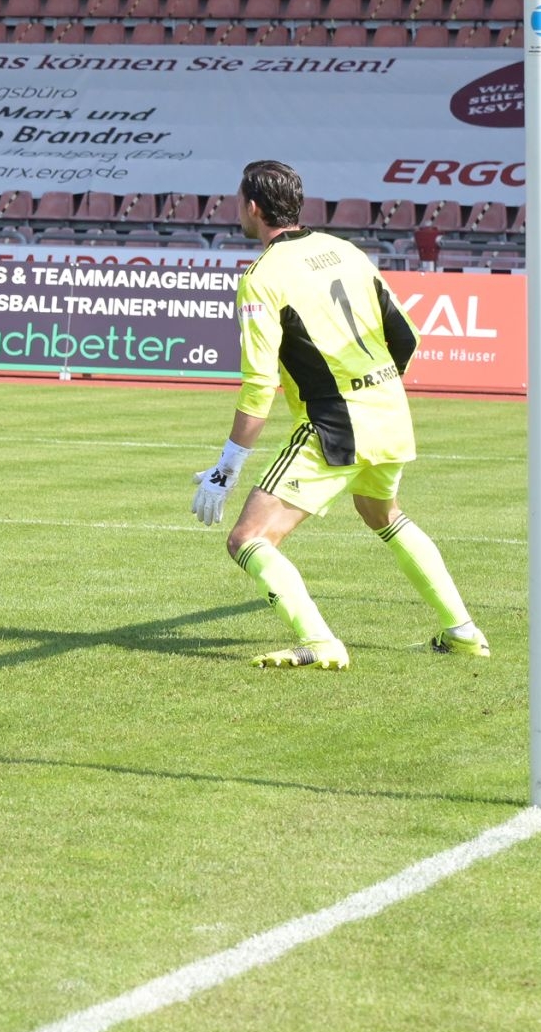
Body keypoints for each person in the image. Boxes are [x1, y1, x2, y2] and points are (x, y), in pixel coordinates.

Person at [190, 159, 488, 670]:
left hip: (335, 425)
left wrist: (227, 467)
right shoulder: (346, 250)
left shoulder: (262, 277)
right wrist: (374, 387)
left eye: (238, 201)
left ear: (253, 207)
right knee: (381, 513)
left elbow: (260, 384)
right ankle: (462, 632)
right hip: (390, 412)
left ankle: (320, 641)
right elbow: (407, 336)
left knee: (248, 539)